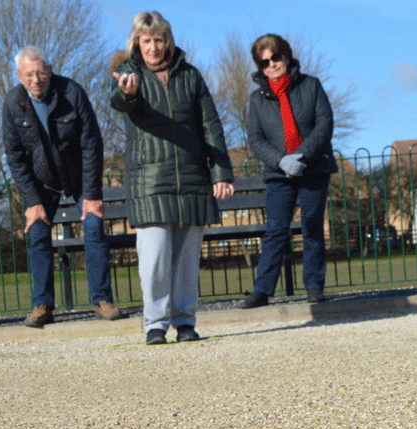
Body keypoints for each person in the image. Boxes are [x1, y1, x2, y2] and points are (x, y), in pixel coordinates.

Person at [110, 11, 235, 345]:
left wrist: (221, 170)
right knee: (154, 260)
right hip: (151, 182)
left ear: (168, 41)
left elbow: (211, 125)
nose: (154, 47)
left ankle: (185, 321)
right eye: (147, 40)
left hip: (193, 178)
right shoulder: (128, 74)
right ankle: (154, 324)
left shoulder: (190, 76)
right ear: (137, 42)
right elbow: (119, 101)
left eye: (159, 39)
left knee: (186, 261)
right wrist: (128, 93)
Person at [3, 46, 122, 328]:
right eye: (29, 74)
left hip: (80, 176)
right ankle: (42, 304)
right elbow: (15, 158)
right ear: (19, 76)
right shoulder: (12, 104)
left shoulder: (72, 92)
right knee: (39, 232)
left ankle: (102, 299)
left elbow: (92, 144)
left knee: (93, 227)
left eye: (41, 72)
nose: (36, 79)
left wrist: (91, 195)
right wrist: (33, 202)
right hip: (42, 181)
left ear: (50, 71)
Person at [241, 34, 338, 309]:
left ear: (286, 56)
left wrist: (303, 156)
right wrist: (282, 161)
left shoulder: (311, 85)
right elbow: (255, 139)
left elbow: (325, 123)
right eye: (264, 62)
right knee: (275, 230)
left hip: (313, 167)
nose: (271, 65)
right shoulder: (257, 99)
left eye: (275, 57)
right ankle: (263, 290)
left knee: (312, 226)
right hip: (278, 173)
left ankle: (314, 286)